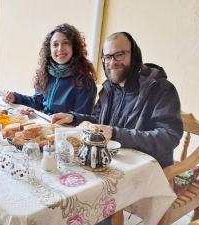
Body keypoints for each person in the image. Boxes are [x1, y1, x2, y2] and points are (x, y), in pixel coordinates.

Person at [52, 32, 183, 168]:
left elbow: (169, 137)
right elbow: (99, 122)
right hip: (113, 163)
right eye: (107, 57)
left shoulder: (160, 88)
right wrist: (73, 118)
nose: (112, 62)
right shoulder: (109, 89)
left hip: (148, 171)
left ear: (134, 55)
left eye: (119, 55)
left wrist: (115, 134)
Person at [4, 23, 97, 115]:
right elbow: (37, 102)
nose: (60, 48)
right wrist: (16, 97)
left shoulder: (85, 81)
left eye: (66, 43)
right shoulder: (46, 73)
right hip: (44, 124)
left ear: (74, 47)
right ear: (50, 50)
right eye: (55, 45)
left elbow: (82, 120)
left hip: (65, 129)